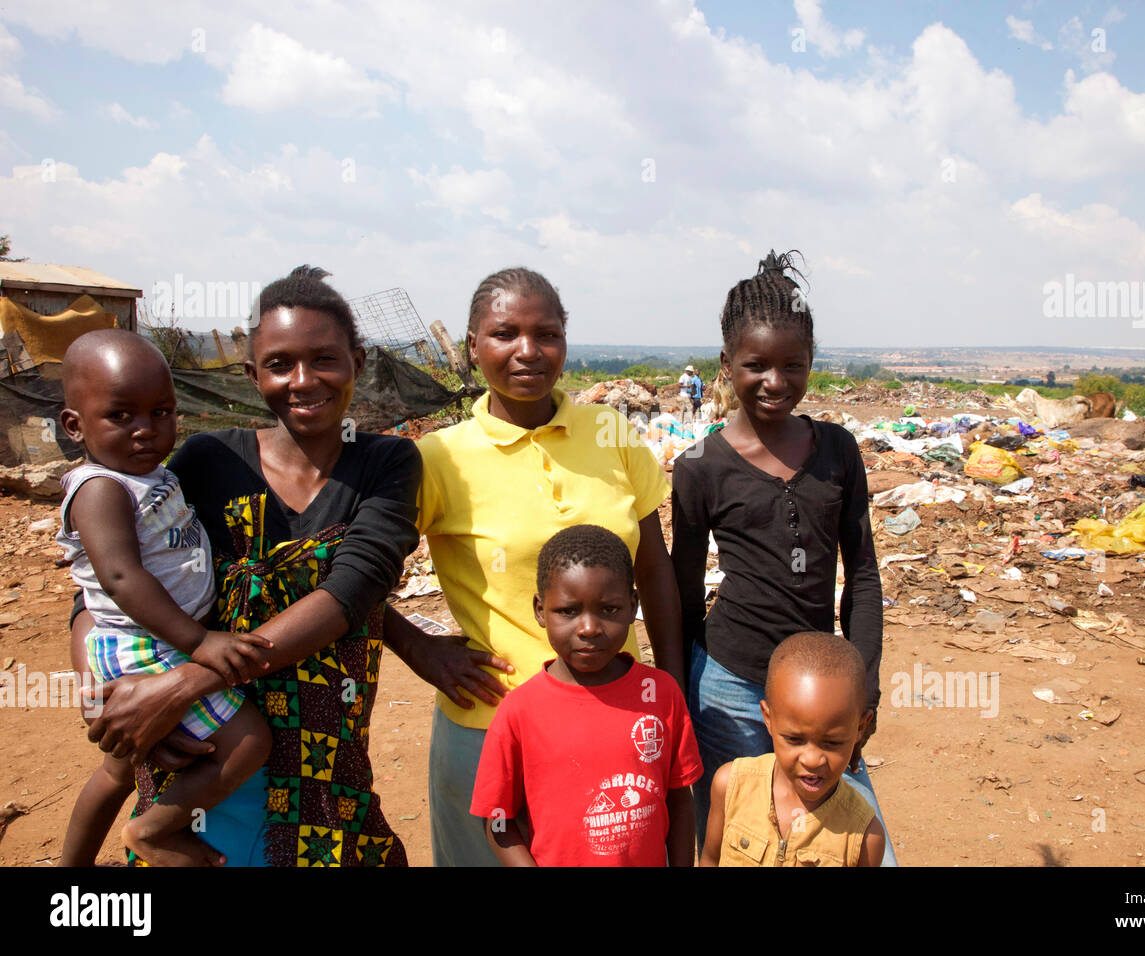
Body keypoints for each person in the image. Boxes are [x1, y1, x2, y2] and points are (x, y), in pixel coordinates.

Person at [71, 265, 423, 866]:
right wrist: (105, 690)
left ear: (359, 361)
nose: (303, 380)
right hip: (203, 751)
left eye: (325, 359)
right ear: (252, 373)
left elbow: (353, 589)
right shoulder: (208, 459)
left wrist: (182, 683)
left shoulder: (385, 461)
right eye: (281, 363)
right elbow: (106, 583)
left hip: (323, 756)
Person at [396, 266, 685, 867]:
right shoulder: (439, 459)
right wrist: (421, 650)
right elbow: (354, 578)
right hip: (490, 723)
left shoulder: (611, 434)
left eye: (546, 333)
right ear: (473, 347)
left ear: (564, 340)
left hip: (619, 721)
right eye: (504, 334)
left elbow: (654, 573)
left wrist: (672, 687)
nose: (528, 351)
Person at [671, 250, 897, 864]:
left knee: (854, 843)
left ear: (811, 363)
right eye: (756, 365)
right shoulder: (700, 468)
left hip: (823, 697)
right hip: (729, 686)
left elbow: (865, 577)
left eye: (792, 365)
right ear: (726, 365)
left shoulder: (839, 451)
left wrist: (864, 687)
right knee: (743, 842)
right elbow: (684, 589)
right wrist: (682, 692)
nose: (775, 382)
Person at [57, 330, 271, 867]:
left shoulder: (149, 477)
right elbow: (121, 578)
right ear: (74, 425)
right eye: (121, 416)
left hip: (152, 639)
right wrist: (199, 640)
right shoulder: (101, 488)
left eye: (161, 412)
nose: (145, 431)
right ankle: (155, 831)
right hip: (144, 643)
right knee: (248, 742)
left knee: (120, 769)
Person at [471, 524, 700, 866]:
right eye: (568, 611)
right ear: (539, 610)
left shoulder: (661, 694)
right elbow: (498, 820)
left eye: (608, 610)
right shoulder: (520, 710)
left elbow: (680, 800)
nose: (589, 628)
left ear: (633, 605)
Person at [699, 632, 885, 866]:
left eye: (833, 743)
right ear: (768, 718)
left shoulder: (863, 836)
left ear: (860, 728)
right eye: (795, 739)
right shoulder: (731, 786)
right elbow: (710, 858)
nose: (813, 759)